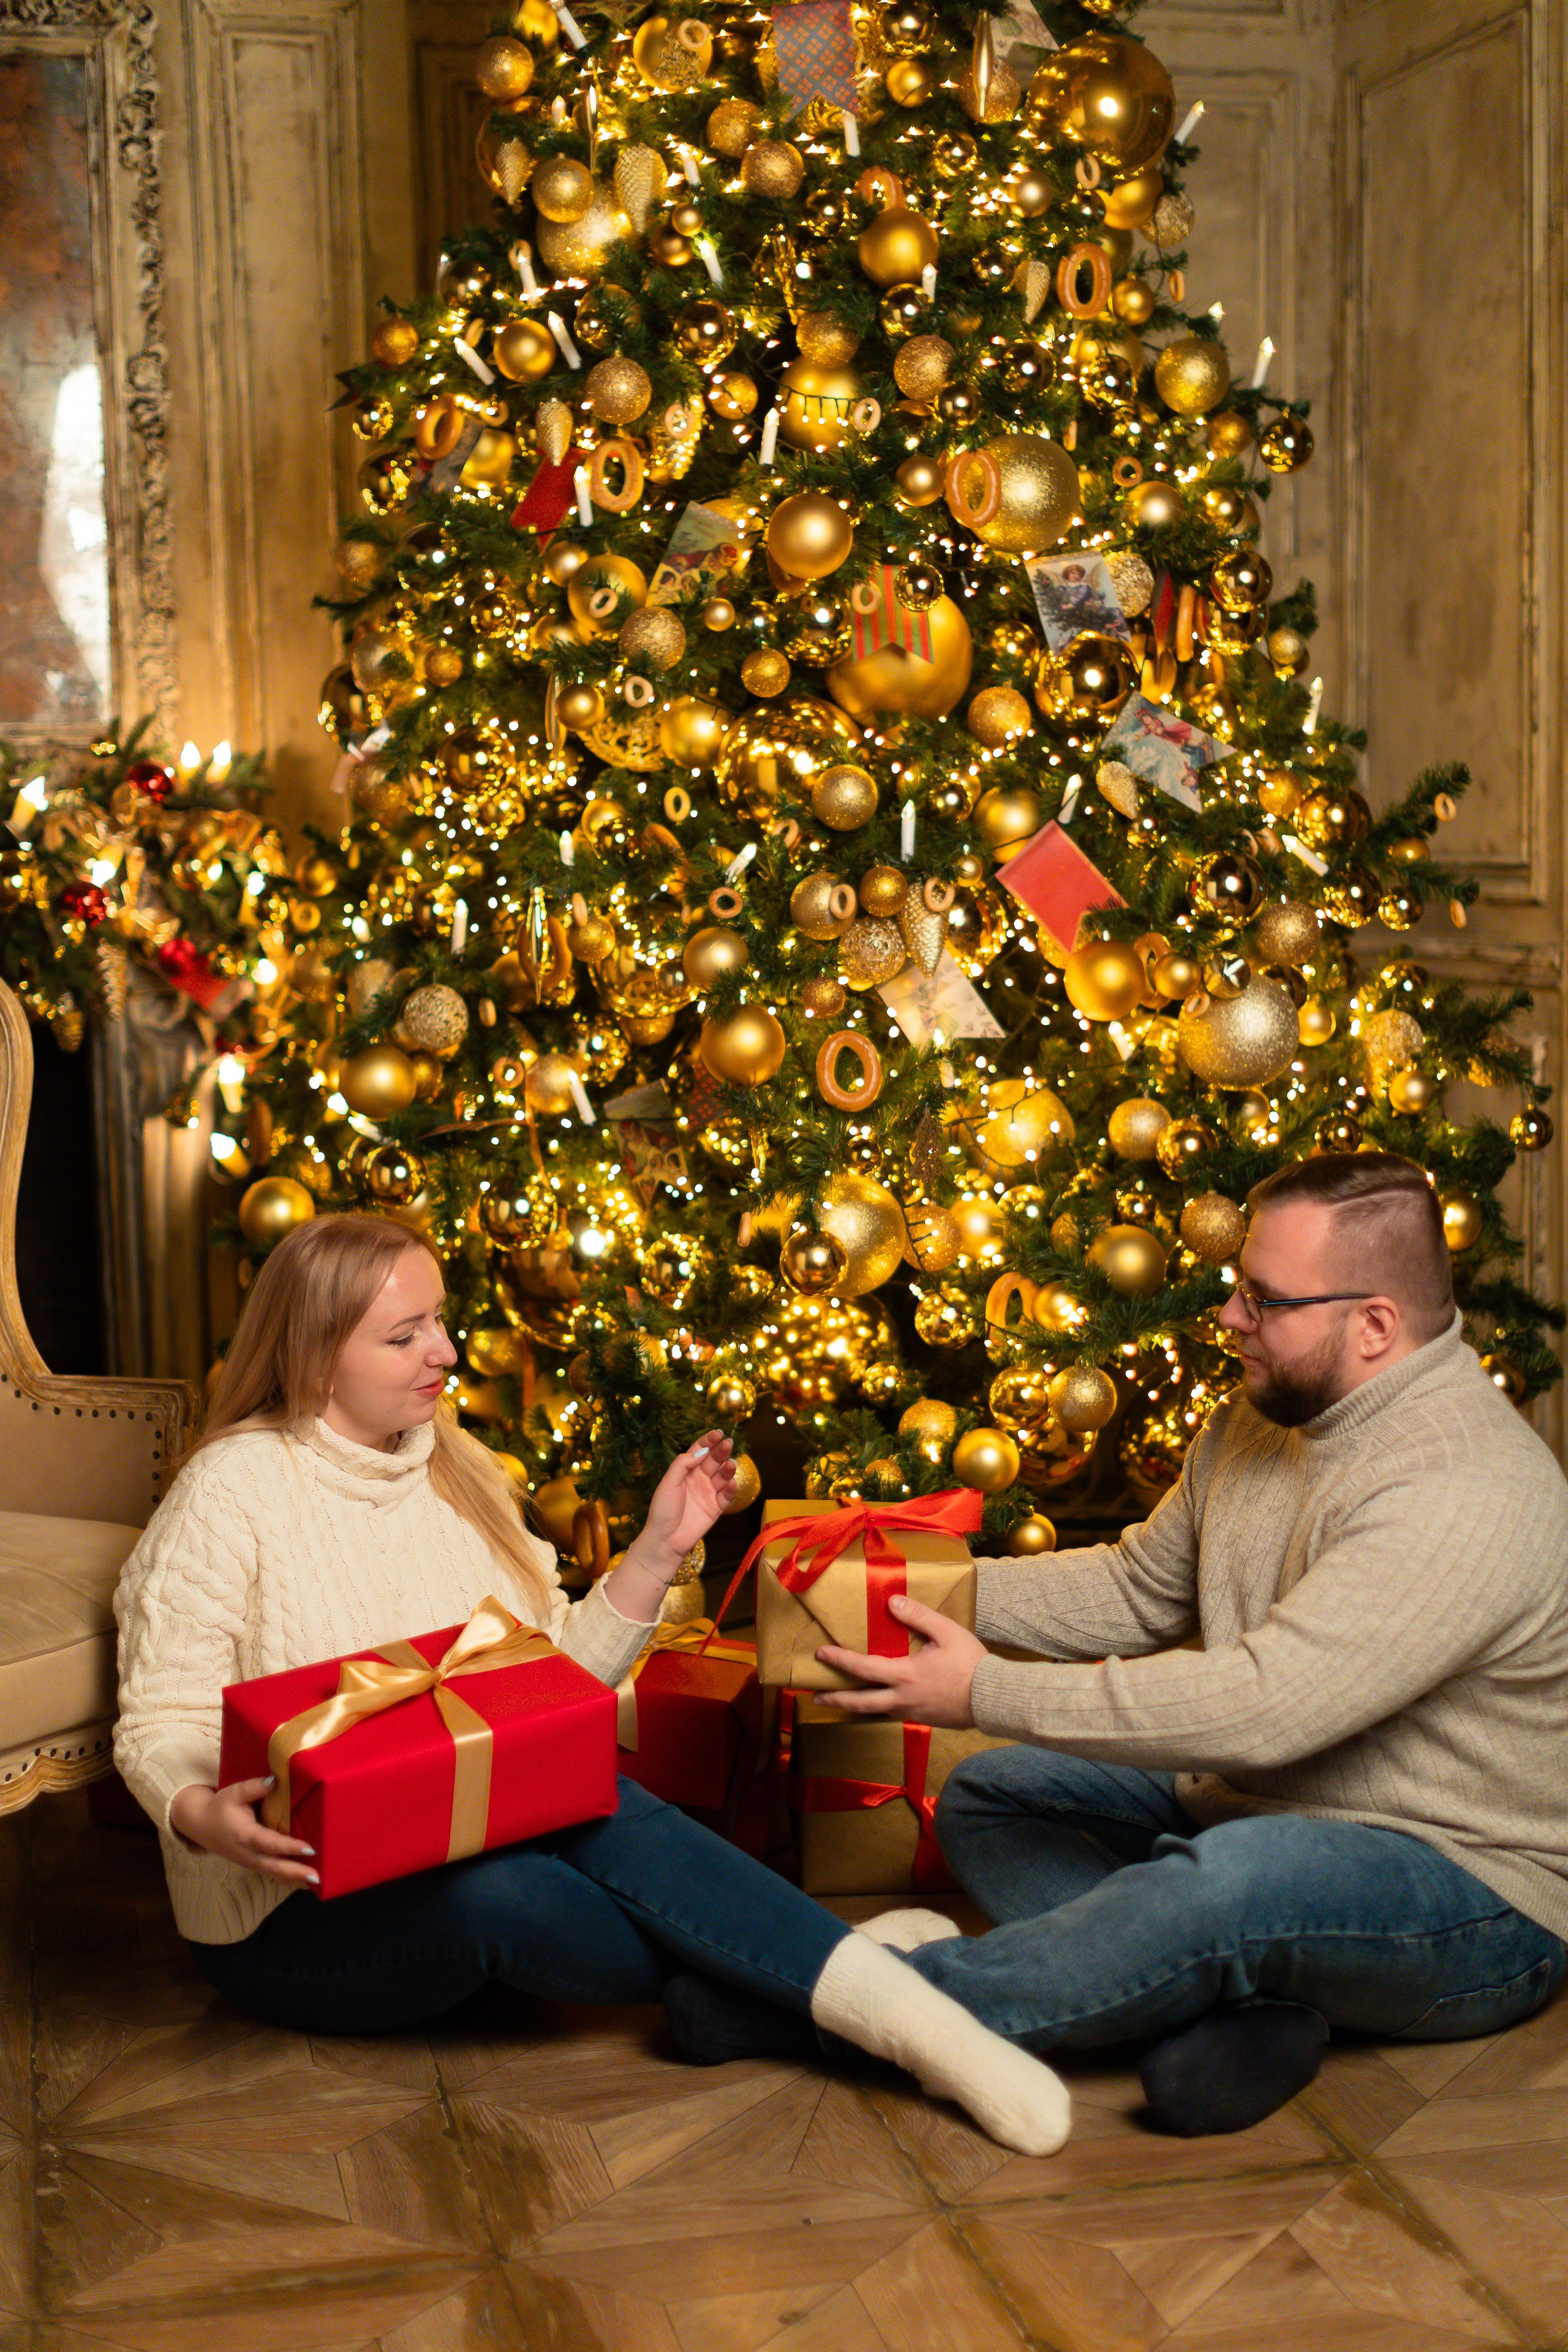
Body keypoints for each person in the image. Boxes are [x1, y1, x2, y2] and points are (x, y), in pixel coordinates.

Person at [112, 1214, 1071, 2156]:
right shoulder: (231, 1490)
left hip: (452, 1835)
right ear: (317, 1356)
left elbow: (548, 1690)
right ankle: (881, 1987)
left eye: (440, 1320)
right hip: (290, 1917)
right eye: (405, 1337)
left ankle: (877, 2015)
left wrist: (659, 1550)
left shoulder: (458, 1470)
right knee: (504, 1895)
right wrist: (201, 1813)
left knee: (598, 1794)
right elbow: (160, 1715)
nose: (444, 1351)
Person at [679, 1153, 1568, 2137]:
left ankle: (843, 2004)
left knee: (1231, 1885)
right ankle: (1252, 2004)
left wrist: (980, 1694)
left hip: (1465, 1888)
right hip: (1259, 1810)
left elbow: (1262, 1708)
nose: (1229, 1317)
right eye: (1239, 1287)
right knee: (992, 1798)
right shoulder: (1267, 1418)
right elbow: (1142, 1589)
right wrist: (909, 1594)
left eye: (1262, 1299)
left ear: (1374, 1325)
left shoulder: (1462, 1487)